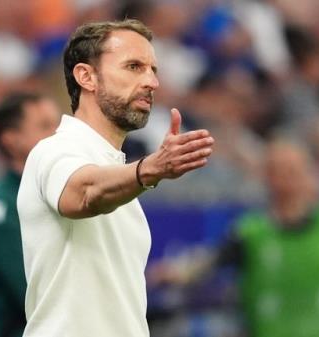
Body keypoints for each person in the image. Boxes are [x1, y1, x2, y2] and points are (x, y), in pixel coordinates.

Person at [17, 19, 214, 337]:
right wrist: (149, 169)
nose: (151, 82)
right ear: (86, 76)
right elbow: (83, 193)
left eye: (153, 70)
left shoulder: (115, 172)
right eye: (134, 66)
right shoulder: (54, 150)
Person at [149, 140, 319, 337]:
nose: (288, 179)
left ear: (308, 174)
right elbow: (208, 263)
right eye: (280, 171)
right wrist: (175, 273)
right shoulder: (250, 232)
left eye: (294, 170)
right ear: (267, 177)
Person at [0, 92, 61, 337]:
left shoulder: (66, 197)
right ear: (11, 140)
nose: (58, 134)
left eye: (58, 124)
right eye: (45, 126)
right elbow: (32, 289)